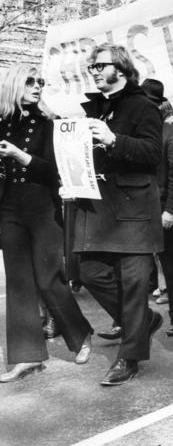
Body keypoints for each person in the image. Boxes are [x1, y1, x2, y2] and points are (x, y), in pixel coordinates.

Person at [74, 43, 164, 386]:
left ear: (121, 70)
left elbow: (153, 154)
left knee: (133, 285)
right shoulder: (95, 108)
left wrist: (114, 140)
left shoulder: (143, 106)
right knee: (91, 272)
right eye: (92, 67)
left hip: (135, 211)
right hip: (101, 209)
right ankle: (141, 323)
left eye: (100, 66)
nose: (94, 71)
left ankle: (129, 358)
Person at [0, 65, 93, 382]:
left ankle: (80, 336)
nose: (38, 86)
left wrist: (19, 156)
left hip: (42, 207)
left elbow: (57, 172)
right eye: (31, 81)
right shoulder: (2, 123)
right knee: (18, 283)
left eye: (41, 82)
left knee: (49, 278)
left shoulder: (50, 125)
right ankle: (27, 357)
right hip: (8, 206)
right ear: (14, 84)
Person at [141, 78, 173, 337]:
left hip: (164, 209)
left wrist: (170, 210)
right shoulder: (138, 131)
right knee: (135, 267)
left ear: (160, 106)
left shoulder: (171, 133)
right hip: (139, 210)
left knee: (171, 264)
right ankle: (129, 320)